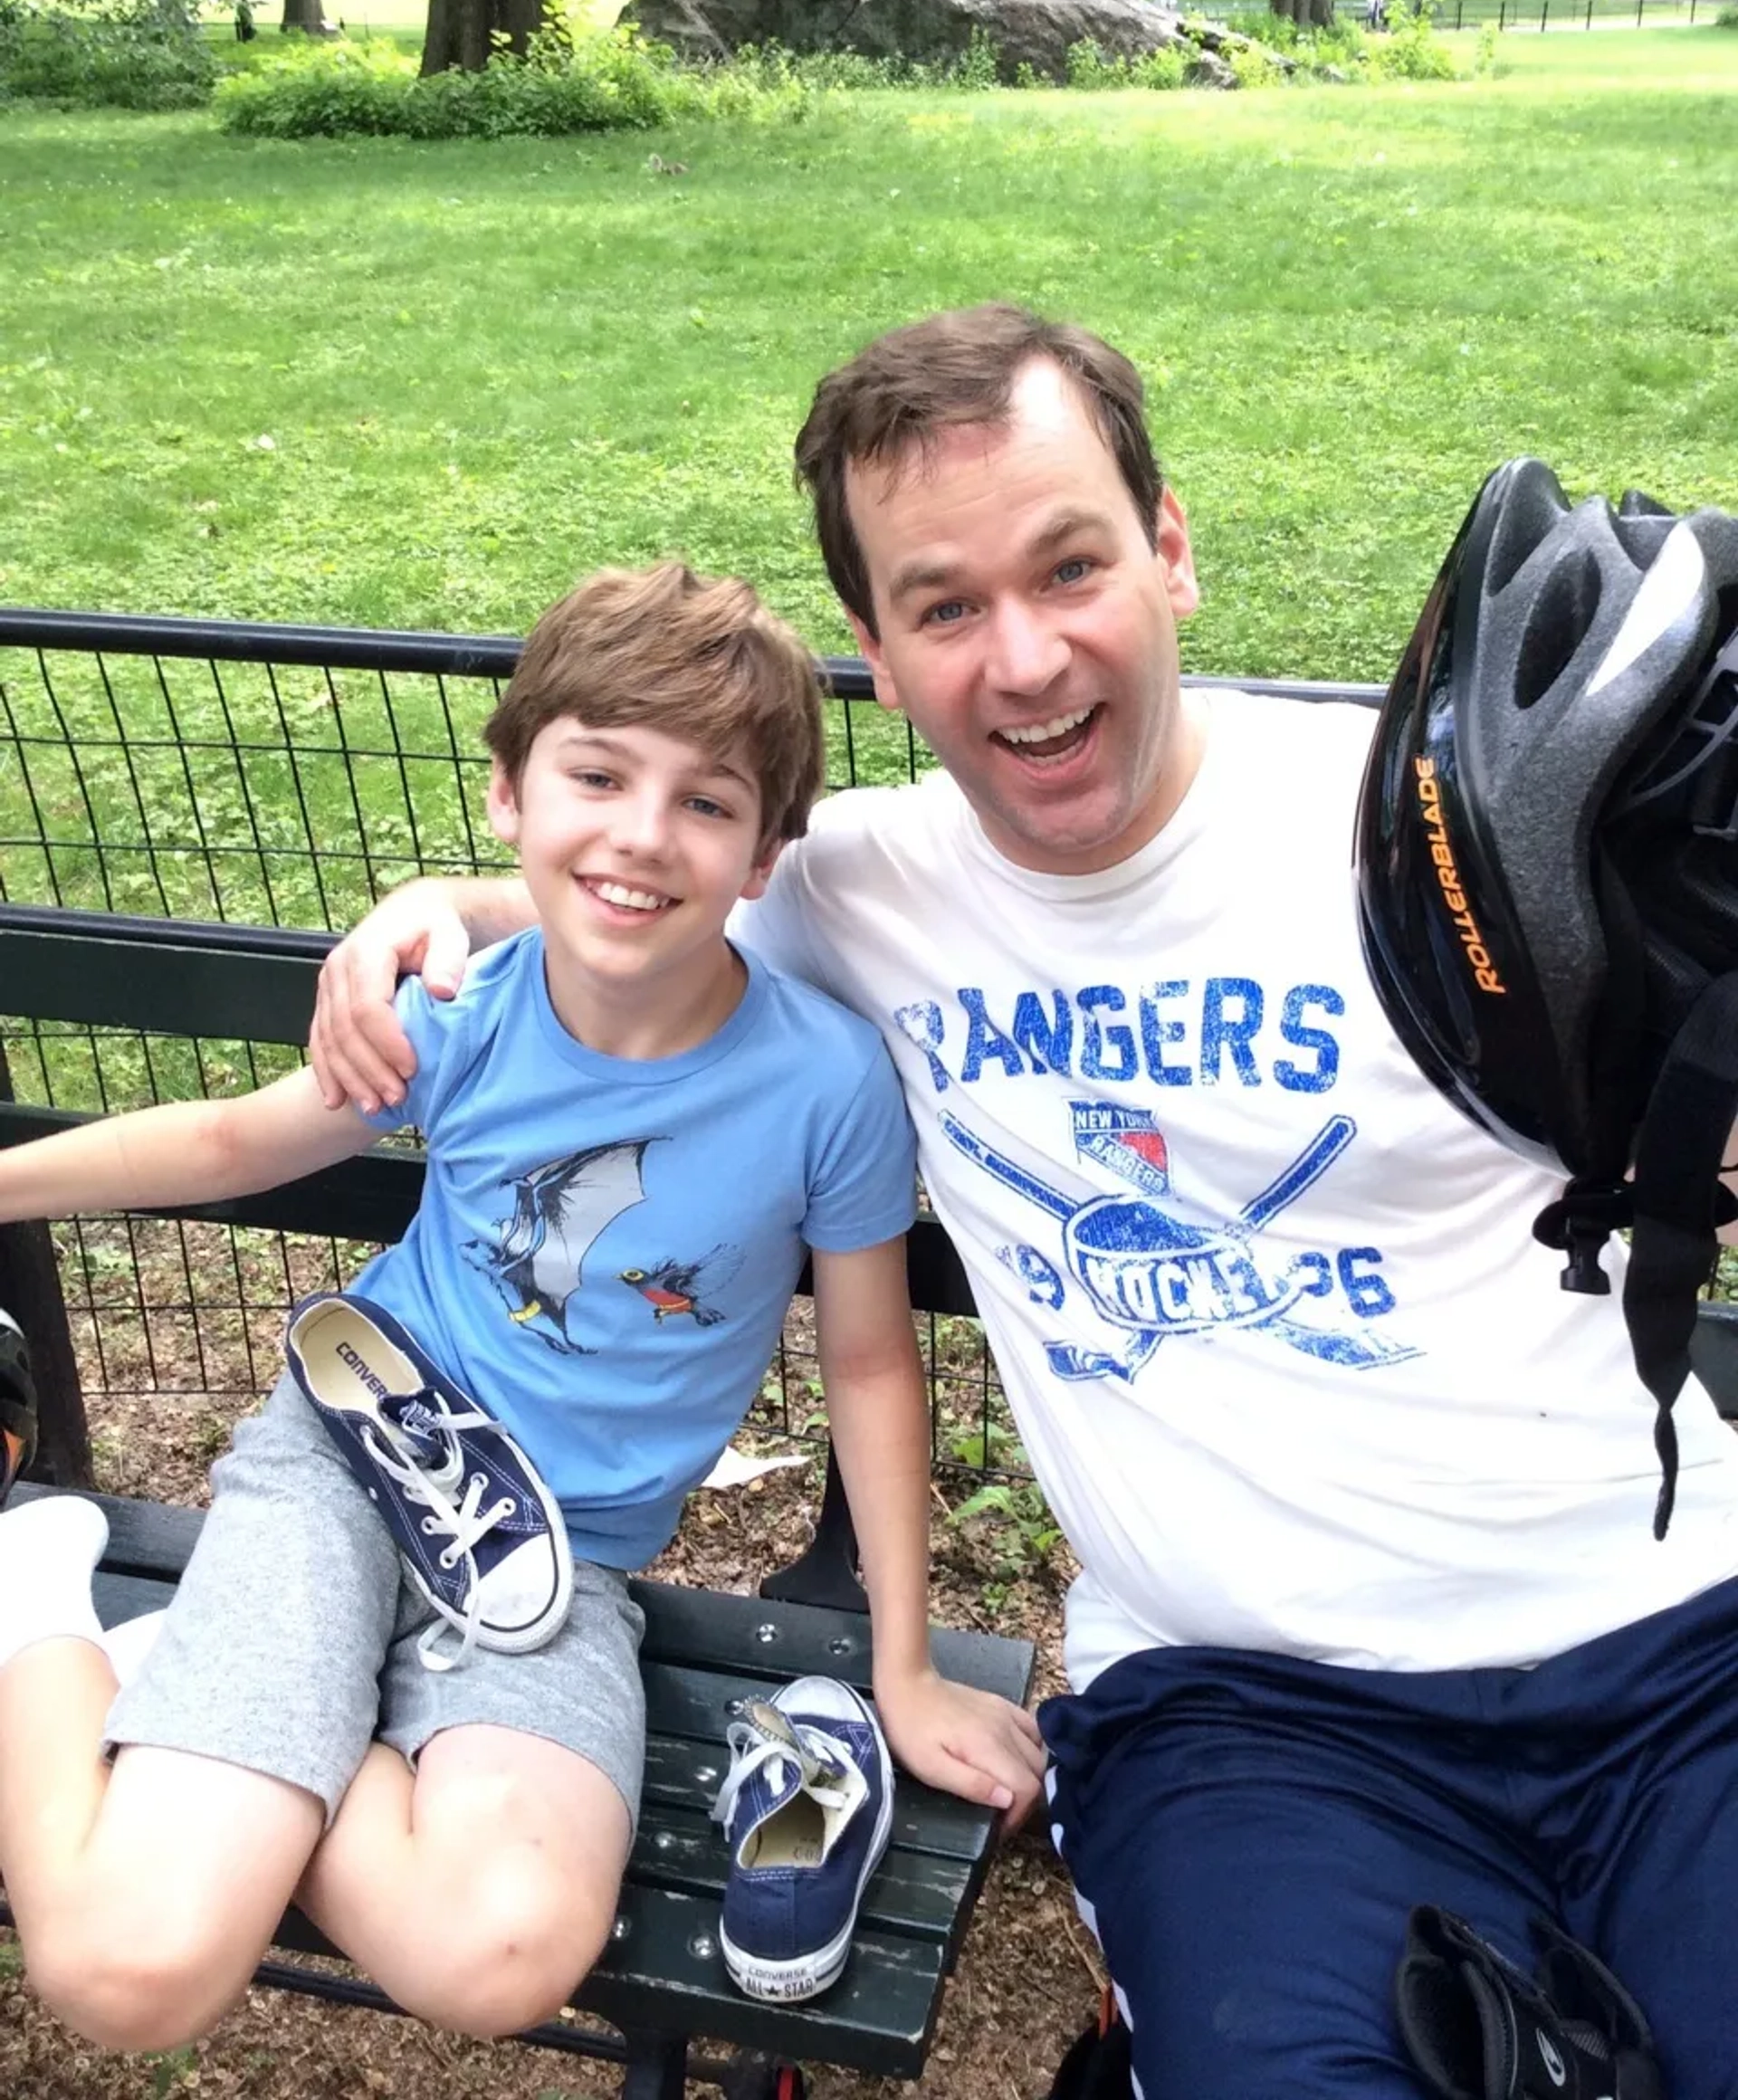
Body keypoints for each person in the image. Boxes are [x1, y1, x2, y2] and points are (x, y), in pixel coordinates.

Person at [307, 307, 1738, 2100]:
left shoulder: (1442, 840)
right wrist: (420, 913)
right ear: (879, 657)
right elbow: (614, 883)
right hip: (1247, 1711)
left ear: (1173, 550)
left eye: (1072, 565)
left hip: (1681, 1645)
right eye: (947, 605)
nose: (1028, 656)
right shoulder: (862, 898)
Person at [0, 559, 1044, 2057]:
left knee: (498, 1955)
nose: (640, 835)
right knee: (124, 1974)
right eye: (599, 775)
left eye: (706, 802)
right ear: (509, 794)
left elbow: (873, 1367)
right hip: (358, 1455)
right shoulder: (458, 1012)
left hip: (562, 1567)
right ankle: (36, 1604)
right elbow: (236, 1140)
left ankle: (218, 1696)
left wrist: (902, 1666)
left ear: (761, 858)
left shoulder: (825, 1084)